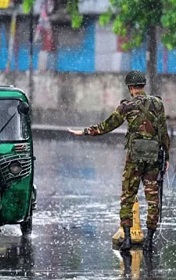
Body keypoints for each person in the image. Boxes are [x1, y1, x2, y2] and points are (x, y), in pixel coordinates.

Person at [68, 70, 170, 252]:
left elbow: (107, 126)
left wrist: (84, 132)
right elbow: (163, 132)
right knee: (153, 198)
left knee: (128, 196)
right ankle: (150, 239)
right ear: (143, 86)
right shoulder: (158, 104)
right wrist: (166, 156)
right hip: (154, 157)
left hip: (134, 158)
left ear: (131, 88)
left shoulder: (127, 106)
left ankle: (128, 238)